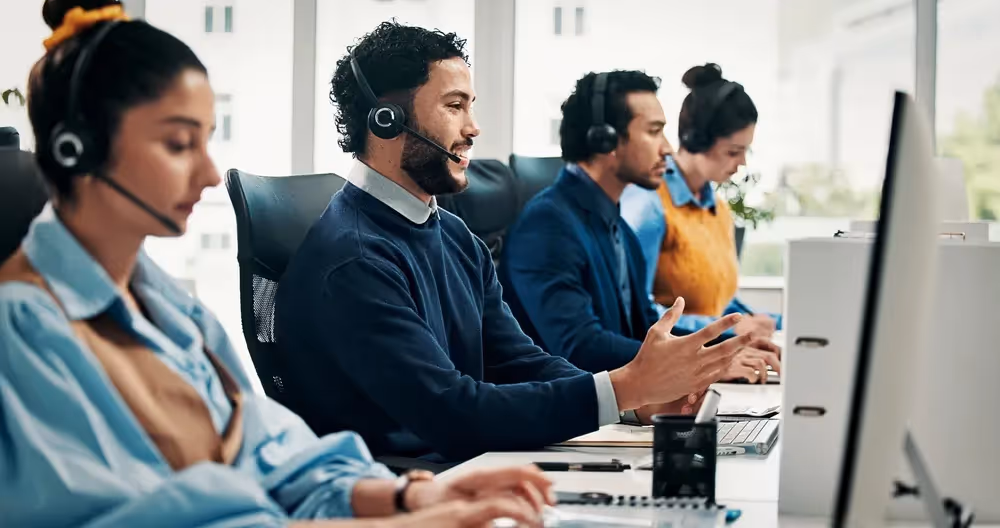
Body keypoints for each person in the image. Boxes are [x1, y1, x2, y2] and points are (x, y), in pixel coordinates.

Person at [0, 3, 555, 527]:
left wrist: (410, 495)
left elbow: (275, 458)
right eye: (177, 144)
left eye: (207, 141)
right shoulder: (22, 332)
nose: (212, 174)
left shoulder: (174, 313)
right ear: (76, 150)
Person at [276, 22, 756, 465]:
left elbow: (517, 360)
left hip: (470, 469)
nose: (473, 127)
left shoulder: (453, 235)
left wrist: (635, 404)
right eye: (454, 105)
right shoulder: (354, 259)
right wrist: (621, 390)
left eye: (471, 105)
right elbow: (452, 410)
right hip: (411, 490)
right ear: (387, 120)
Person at [498, 71, 780, 383]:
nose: (668, 149)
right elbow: (581, 346)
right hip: (565, 423)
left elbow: (648, 331)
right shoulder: (548, 225)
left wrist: (725, 350)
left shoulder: (617, 227)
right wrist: (704, 365)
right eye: (654, 132)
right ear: (605, 140)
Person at [619, 63, 782, 342]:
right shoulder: (649, 205)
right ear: (696, 140)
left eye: (745, 151)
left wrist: (770, 321)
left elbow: (718, 304)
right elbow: (635, 312)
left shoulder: (718, 210)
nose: (742, 162)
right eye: (733, 151)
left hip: (708, 355)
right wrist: (730, 329)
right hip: (670, 362)